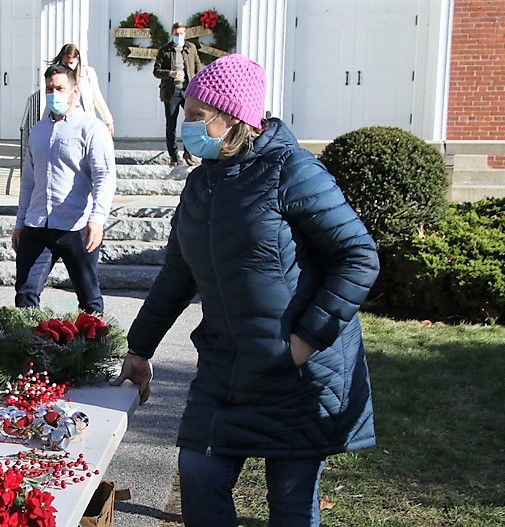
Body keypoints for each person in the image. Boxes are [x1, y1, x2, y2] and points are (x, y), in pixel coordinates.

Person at [110, 54, 380, 527]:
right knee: (198, 477)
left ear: (233, 119)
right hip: (224, 366)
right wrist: (139, 348)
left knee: (290, 507)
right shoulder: (199, 185)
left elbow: (358, 257)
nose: (186, 125)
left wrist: (302, 344)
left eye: (197, 116)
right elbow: (176, 275)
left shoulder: (292, 171)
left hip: (299, 374)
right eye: (186, 113)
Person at [13, 64, 116, 314]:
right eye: (50, 88)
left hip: (76, 226)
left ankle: (94, 351)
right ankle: (30, 350)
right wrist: (20, 222)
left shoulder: (92, 129)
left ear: (75, 91)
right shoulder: (37, 131)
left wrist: (98, 219)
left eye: (60, 88)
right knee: (25, 295)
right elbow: (28, 181)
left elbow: (104, 176)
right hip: (37, 224)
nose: (54, 94)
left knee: (89, 300)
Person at [153, 22, 204, 166]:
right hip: (171, 92)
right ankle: (173, 155)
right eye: (176, 34)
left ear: (185, 34)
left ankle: (188, 152)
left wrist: (197, 80)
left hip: (188, 91)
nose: (179, 36)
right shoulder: (165, 50)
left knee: (191, 122)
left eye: (181, 33)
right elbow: (156, 71)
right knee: (171, 124)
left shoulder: (191, 48)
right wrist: (171, 73)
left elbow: (197, 66)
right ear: (172, 34)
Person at [43, 44, 115, 135]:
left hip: (85, 119)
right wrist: (43, 124)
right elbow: (52, 99)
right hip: (63, 119)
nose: (69, 66)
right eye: (65, 63)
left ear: (78, 59)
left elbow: (97, 97)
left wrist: (108, 120)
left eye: (72, 63)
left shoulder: (88, 73)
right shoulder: (57, 74)